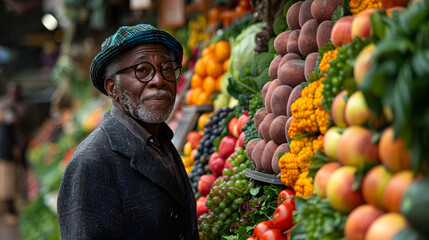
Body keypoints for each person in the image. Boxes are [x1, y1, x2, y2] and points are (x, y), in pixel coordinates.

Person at [57, 24, 198, 239]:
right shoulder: (92, 161)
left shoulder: (161, 141)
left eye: (167, 68)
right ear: (113, 88)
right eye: (142, 70)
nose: (159, 80)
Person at [0, 81, 40, 224]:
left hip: (25, 145)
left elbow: (33, 123)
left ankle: (25, 201)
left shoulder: (27, 106)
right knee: (8, 179)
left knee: (25, 174)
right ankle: (12, 209)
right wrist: (13, 148)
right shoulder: (4, 105)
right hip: (8, 150)